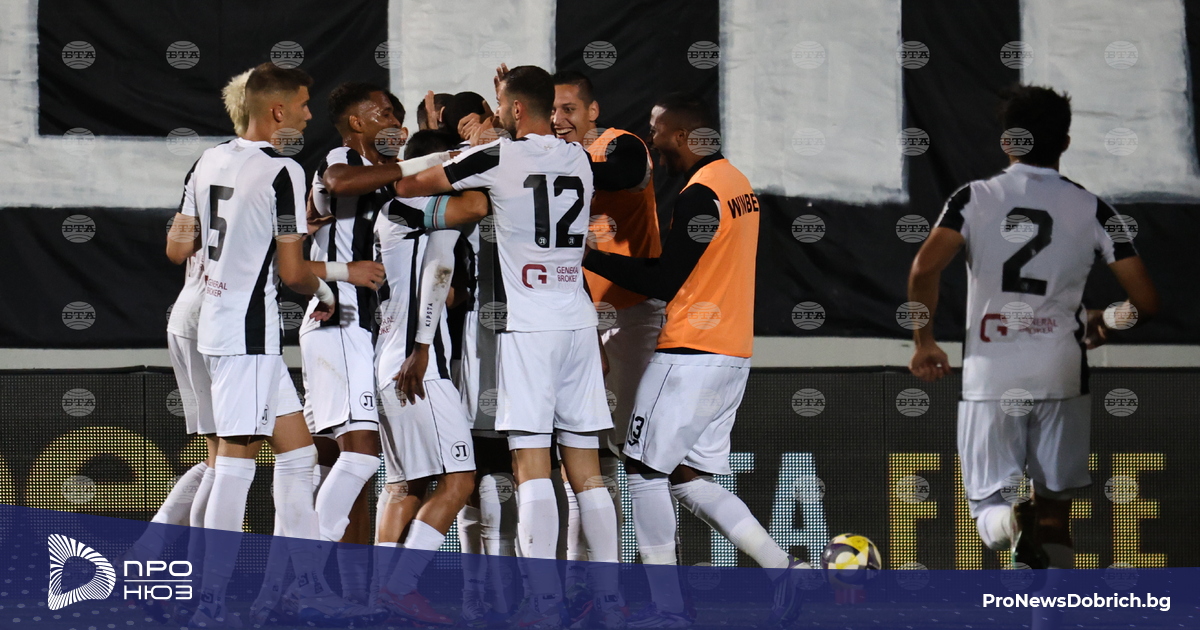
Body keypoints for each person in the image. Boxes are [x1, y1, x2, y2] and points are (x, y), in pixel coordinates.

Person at [393, 65, 622, 629]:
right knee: (587, 472)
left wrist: (462, 146)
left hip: (529, 328)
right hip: (578, 322)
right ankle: (612, 602)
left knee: (531, 466)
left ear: (515, 109)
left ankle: (544, 606)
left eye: (501, 104)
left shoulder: (497, 157)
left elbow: (410, 186)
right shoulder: (578, 157)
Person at [907, 85, 1159, 576]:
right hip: (1061, 372)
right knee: (1055, 516)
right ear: (1065, 143)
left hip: (992, 372)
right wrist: (1105, 321)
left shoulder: (974, 198)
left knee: (989, 511)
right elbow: (1146, 303)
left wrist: (925, 341)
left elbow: (923, 269)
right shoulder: (1093, 209)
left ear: (1008, 142)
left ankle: (1009, 521)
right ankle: (1051, 608)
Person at [583, 92, 806, 628]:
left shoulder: (701, 193)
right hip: (731, 355)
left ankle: (669, 609)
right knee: (686, 475)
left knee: (641, 470)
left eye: (657, 130)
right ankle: (783, 569)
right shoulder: (737, 184)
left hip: (689, 354)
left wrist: (586, 255)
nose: (652, 140)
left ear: (683, 136)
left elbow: (664, 279)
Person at [171, 62, 378, 626]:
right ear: (278, 110)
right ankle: (209, 602)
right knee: (234, 464)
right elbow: (292, 273)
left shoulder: (208, 159)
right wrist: (330, 287)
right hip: (244, 329)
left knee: (299, 453)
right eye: (304, 105)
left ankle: (305, 586)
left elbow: (176, 248)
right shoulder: (283, 170)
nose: (310, 115)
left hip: (206, 321)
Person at [551, 70, 663, 609]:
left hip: (633, 316)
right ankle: (588, 583)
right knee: (583, 456)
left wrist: (562, 160)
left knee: (643, 455)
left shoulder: (618, 144)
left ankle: (662, 586)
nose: (559, 120)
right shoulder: (546, 159)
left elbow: (627, 172)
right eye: (552, 111)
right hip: (577, 322)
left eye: (570, 109)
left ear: (593, 112)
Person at [370, 129, 488, 626]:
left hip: (390, 361)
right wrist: (480, 160)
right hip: (419, 366)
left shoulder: (395, 213)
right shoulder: (416, 205)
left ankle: (380, 598)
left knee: (405, 484)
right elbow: (475, 209)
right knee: (459, 481)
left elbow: (441, 285)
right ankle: (398, 589)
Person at [300, 81, 399, 606]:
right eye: (383, 113)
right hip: (339, 319)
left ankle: (353, 595)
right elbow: (339, 182)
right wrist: (415, 164)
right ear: (356, 124)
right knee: (362, 456)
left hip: (363, 330)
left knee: (336, 464)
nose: (393, 122)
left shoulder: (388, 174)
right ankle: (299, 578)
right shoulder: (342, 159)